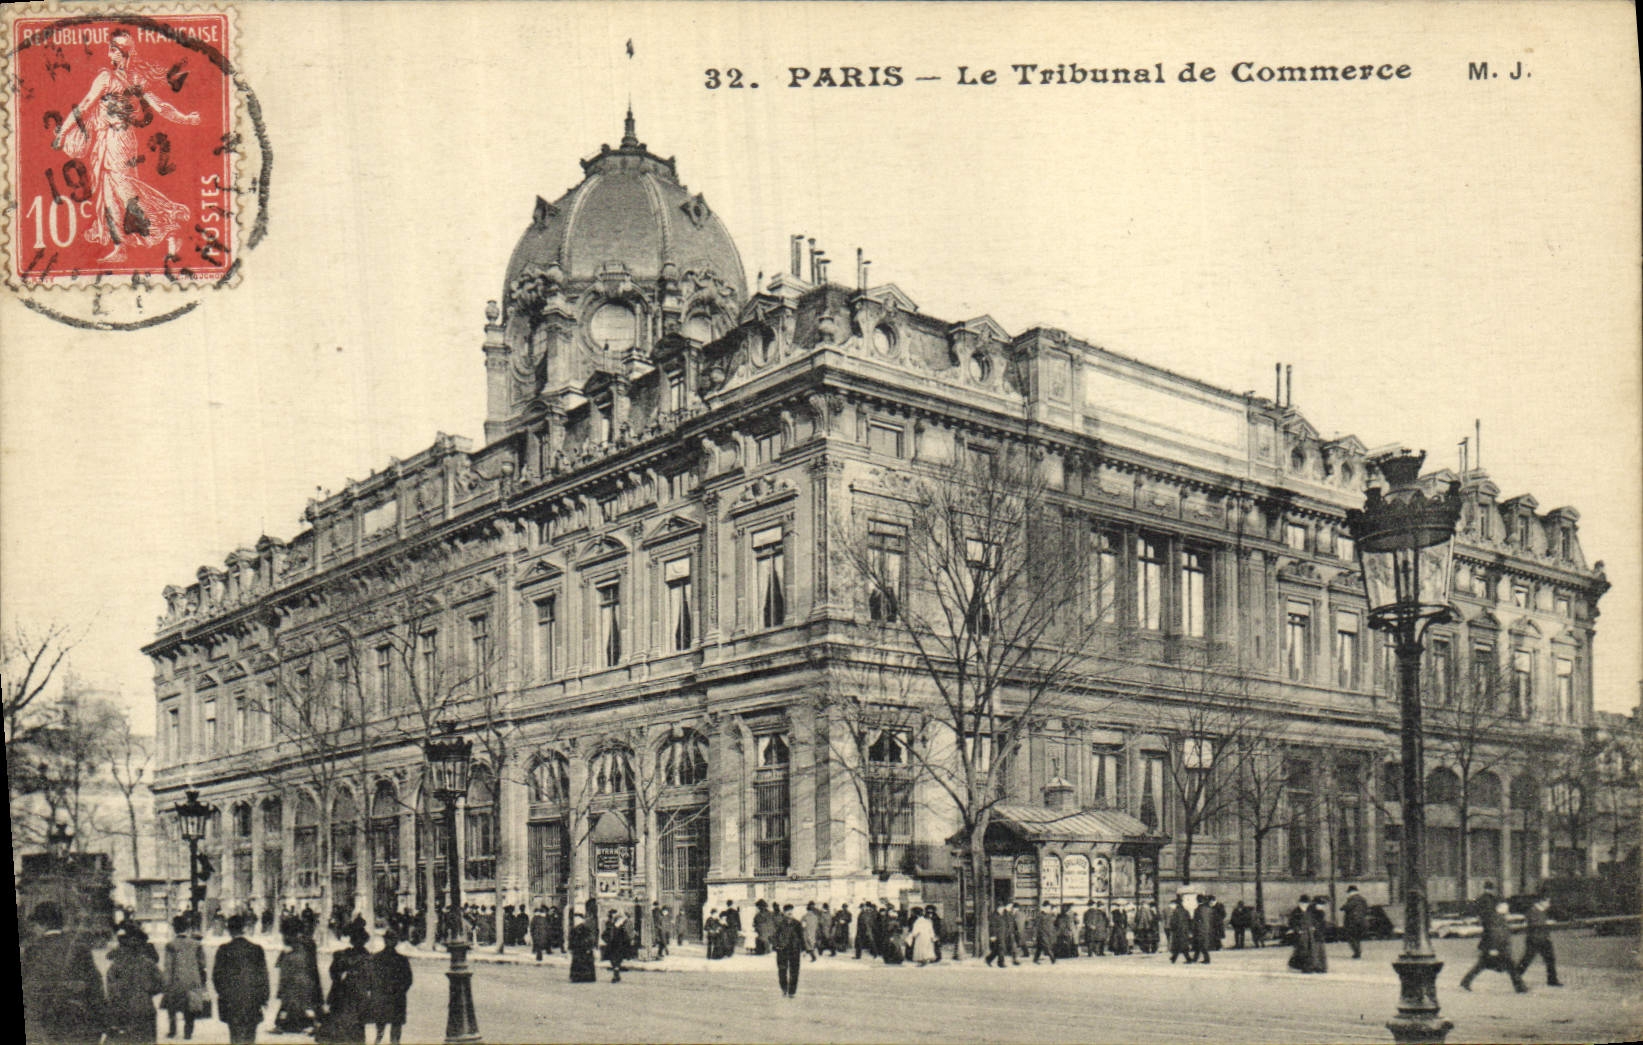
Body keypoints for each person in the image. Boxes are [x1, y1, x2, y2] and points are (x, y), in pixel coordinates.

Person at [213, 914, 270, 1045]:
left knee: (235, 1035)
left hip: (231, 1001)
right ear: (243, 928)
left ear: (229, 930)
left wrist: (224, 995)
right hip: (252, 1000)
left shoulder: (223, 949)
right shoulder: (256, 949)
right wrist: (264, 997)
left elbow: (217, 977)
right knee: (250, 1036)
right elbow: (263, 976)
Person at [106, 924, 165, 1045]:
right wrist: (148, 990)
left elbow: (110, 987)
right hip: (144, 1007)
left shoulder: (116, 965)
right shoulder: (148, 964)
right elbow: (162, 983)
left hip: (122, 1010)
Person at [320, 923, 373, 1044]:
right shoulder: (367, 958)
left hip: (348, 994)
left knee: (349, 1026)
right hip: (350, 995)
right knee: (351, 1026)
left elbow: (334, 973)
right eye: (356, 939)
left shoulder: (344, 955)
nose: (358, 942)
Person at [1460, 900, 1527, 993]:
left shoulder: (1499, 917)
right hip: (1497, 948)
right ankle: (1520, 988)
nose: (1507, 908)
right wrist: (1493, 948)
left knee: (1481, 965)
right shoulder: (1496, 918)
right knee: (1510, 967)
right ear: (1498, 908)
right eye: (1505, 907)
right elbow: (1494, 934)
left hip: (1498, 948)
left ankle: (1465, 982)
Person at [274, 918, 324, 1032]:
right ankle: (307, 1022)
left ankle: (307, 1023)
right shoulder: (307, 942)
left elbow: (283, 963)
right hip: (307, 977)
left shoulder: (299, 944)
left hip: (300, 978)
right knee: (303, 1001)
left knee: (299, 1000)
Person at [163, 913, 208, 1040]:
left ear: (174, 928)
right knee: (190, 1006)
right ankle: (188, 1032)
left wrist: (166, 984)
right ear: (187, 928)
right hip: (193, 980)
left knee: (172, 1005)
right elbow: (202, 963)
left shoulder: (171, 945)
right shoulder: (196, 944)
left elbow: (168, 966)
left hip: (176, 980)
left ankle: (173, 1030)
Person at [368, 930, 413, 1045]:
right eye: (388, 939)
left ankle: (388, 1041)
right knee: (385, 1025)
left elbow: (408, 979)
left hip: (390, 996)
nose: (390, 942)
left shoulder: (379, 958)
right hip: (390, 996)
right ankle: (382, 1040)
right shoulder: (379, 958)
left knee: (392, 1025)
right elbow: (372, 977)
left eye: (392, 940)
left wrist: (399, 990)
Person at [1516, 895, 1561, 987]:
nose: (1549, 904)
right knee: (1527, 959)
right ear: (1541, 901)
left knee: (1550, 959)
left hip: (1544, 938)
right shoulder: (1532, 911)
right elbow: (1534, 924)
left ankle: (1552, 980)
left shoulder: (1542, 911)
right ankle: (1516, 976)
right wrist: (1546, 923)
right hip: (1534, 939)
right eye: (1547, 902)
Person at [773, 904, 804, 996]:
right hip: (782, 950)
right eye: (787, 911)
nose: (790, 912)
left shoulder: (797, 923)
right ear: (784, 912)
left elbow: (801, 936)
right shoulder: (779, 924)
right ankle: (784, 989)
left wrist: (803, 949)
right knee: (782, 970)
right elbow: (773, 936)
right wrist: (776, 946)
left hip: (794, 950)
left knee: (794, 971)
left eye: (791, 910)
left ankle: (792, 991)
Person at [1340, 886, 1369, 959]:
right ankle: (1357, 952)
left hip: (1352, 922)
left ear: (1351, 892)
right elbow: (1366, 910)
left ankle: (1357, 953)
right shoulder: (1363, 899)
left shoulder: (1352, 899)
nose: (1348, 894)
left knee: (1351, 937)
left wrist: (1343, 906)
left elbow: (1345, 907)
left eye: (1348, 893)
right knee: (1357, 937)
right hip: (1362, 921)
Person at [1287, 897, 1314, 973]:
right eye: (1304, 903)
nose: (1305, 905)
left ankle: (1295, 965)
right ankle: (1305, 968)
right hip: (1300, 934)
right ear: (1300, 903)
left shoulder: (1308, 911)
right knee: (1302, 950)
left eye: (1306, 904)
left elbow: (1310, 921)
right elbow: (1292, 923)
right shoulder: (1296, 912)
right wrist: (1298, 930)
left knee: (1307, 950)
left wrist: (1312, 927)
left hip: (1308, 934)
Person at [568, 912, 597, 983]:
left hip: (583, 949)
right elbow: (571, 939)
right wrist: (571, 947)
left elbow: (589, 939)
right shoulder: (574, 929)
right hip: (578, 949)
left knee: (583, 963)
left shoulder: (585, 928)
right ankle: (579, 977)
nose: (576, 920)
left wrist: (589, 947)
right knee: (579, 963)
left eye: (577, 919)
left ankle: (584, 977)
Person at [606, 911, 632, 983]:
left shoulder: (621, 928)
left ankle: (616, 975)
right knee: (614, 961)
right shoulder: (611, 926)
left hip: (619, 946)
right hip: (613, 946)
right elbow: (605, 935)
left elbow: (626, 937)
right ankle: (616, 975)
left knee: (616, 961)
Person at [1307, 897, 1330, 974]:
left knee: (1320, 950)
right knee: (1314, 950)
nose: (1322, 906)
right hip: (1314, 934)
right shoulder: (1311, 912)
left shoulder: (1321, 912)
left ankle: (1321, 966)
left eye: (1323, 905)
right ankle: (1315, 966)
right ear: (1315, 904)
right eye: (1320, 904)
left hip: (1319, 934)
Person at [1168, 897, 1192, 964]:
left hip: (1178, 931)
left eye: (1171, 904)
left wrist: (1172, 928)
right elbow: (1189, 920)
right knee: (1180, 946)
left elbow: (1174, 922)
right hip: (1184, 931)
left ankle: (1187, 959)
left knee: (1179, 946)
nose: (1171, 906)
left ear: (1175, 904)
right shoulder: (1185, 911)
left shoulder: (1176, 911)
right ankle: (1174, 958)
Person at [1193, 895, 1215, 964]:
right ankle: (1196, 958)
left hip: (1200, 929)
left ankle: (1206, 959)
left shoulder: (1198, 909)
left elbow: (1196, 921)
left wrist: (1194, 929)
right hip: (1207, 929)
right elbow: (1211, 919)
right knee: (1201, 944)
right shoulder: (1209, 909)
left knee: (1200, 944)